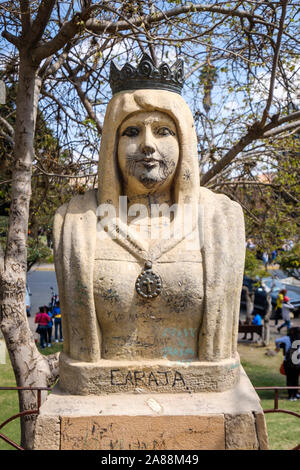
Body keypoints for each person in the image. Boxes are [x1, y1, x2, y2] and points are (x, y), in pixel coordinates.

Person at [53, 54, 245, 373]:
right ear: (112, 144)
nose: (147, 145)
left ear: (183, 141)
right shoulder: (74, 222)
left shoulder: (222, 220)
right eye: (131, 132)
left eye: (163, 131)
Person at [275, 327, 300, 401]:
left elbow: (277, 340)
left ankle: (290, 396)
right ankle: (295, 395)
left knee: (289, 379)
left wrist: (278, 347)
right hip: (297, 363)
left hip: (288, 362)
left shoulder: (287, 338)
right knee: (296, 379)